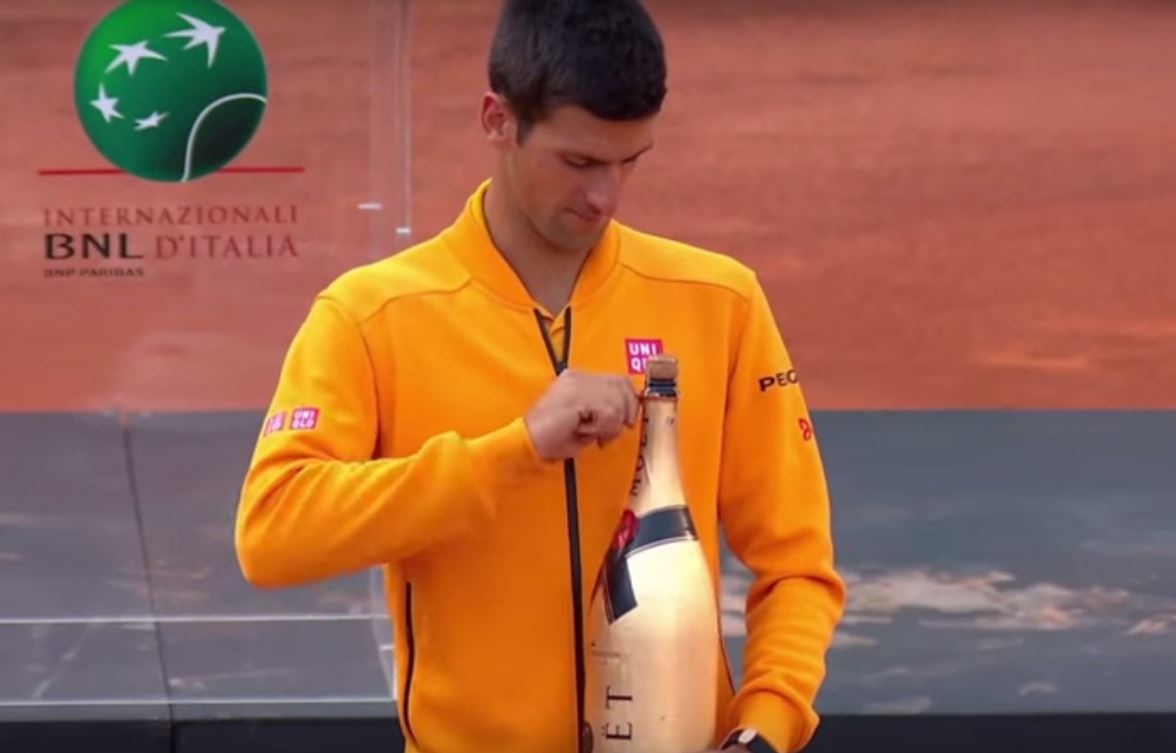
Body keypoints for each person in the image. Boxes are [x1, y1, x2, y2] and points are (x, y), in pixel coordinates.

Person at [234, 1, 846, 751]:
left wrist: (769, 723)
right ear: (497, 120)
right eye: (580, 162)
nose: (606, 196)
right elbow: (272, 534)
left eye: (631, 161)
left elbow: (797, 563)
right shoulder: (372, 315)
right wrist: (513, 450)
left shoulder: (720, 301)